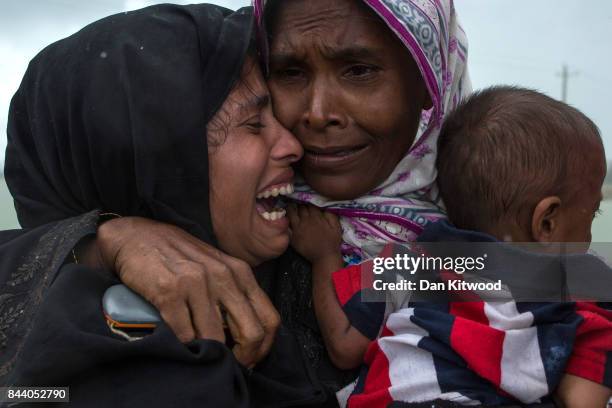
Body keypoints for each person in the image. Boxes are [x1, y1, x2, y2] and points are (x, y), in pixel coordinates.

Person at [0, 4, 323, 406]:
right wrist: (98, 242)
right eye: (254, 124)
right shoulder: (99, 344)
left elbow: (418, 280)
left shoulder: (320, 233)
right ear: (159, 158)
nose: (295, 144)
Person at [289, 86, 612, 407]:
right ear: (547, 223)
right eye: (592, 213)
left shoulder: (411, 261)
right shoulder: (577, 289)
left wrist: (324, 255)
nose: (590, 230)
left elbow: (345, 346)